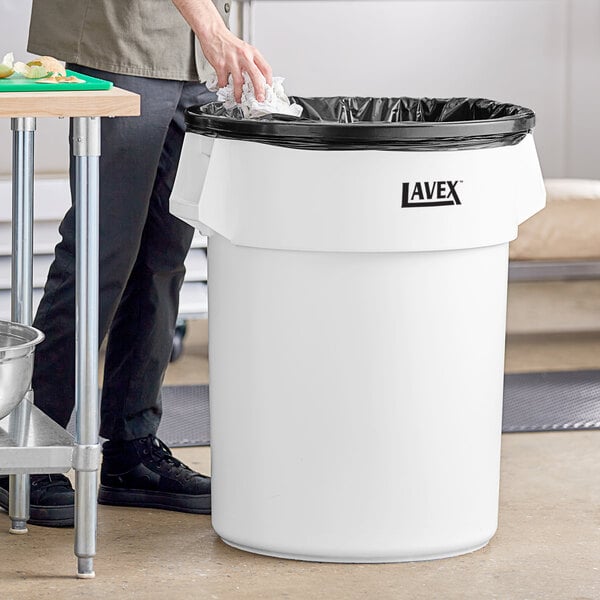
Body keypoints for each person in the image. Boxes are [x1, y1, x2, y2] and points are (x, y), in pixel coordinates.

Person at [0, 0, 272, 527]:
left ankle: (130, 446)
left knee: (164, 257)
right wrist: (213, 28)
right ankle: (29, 445)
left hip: (192, 51)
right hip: (123, 39)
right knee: (102, 251)